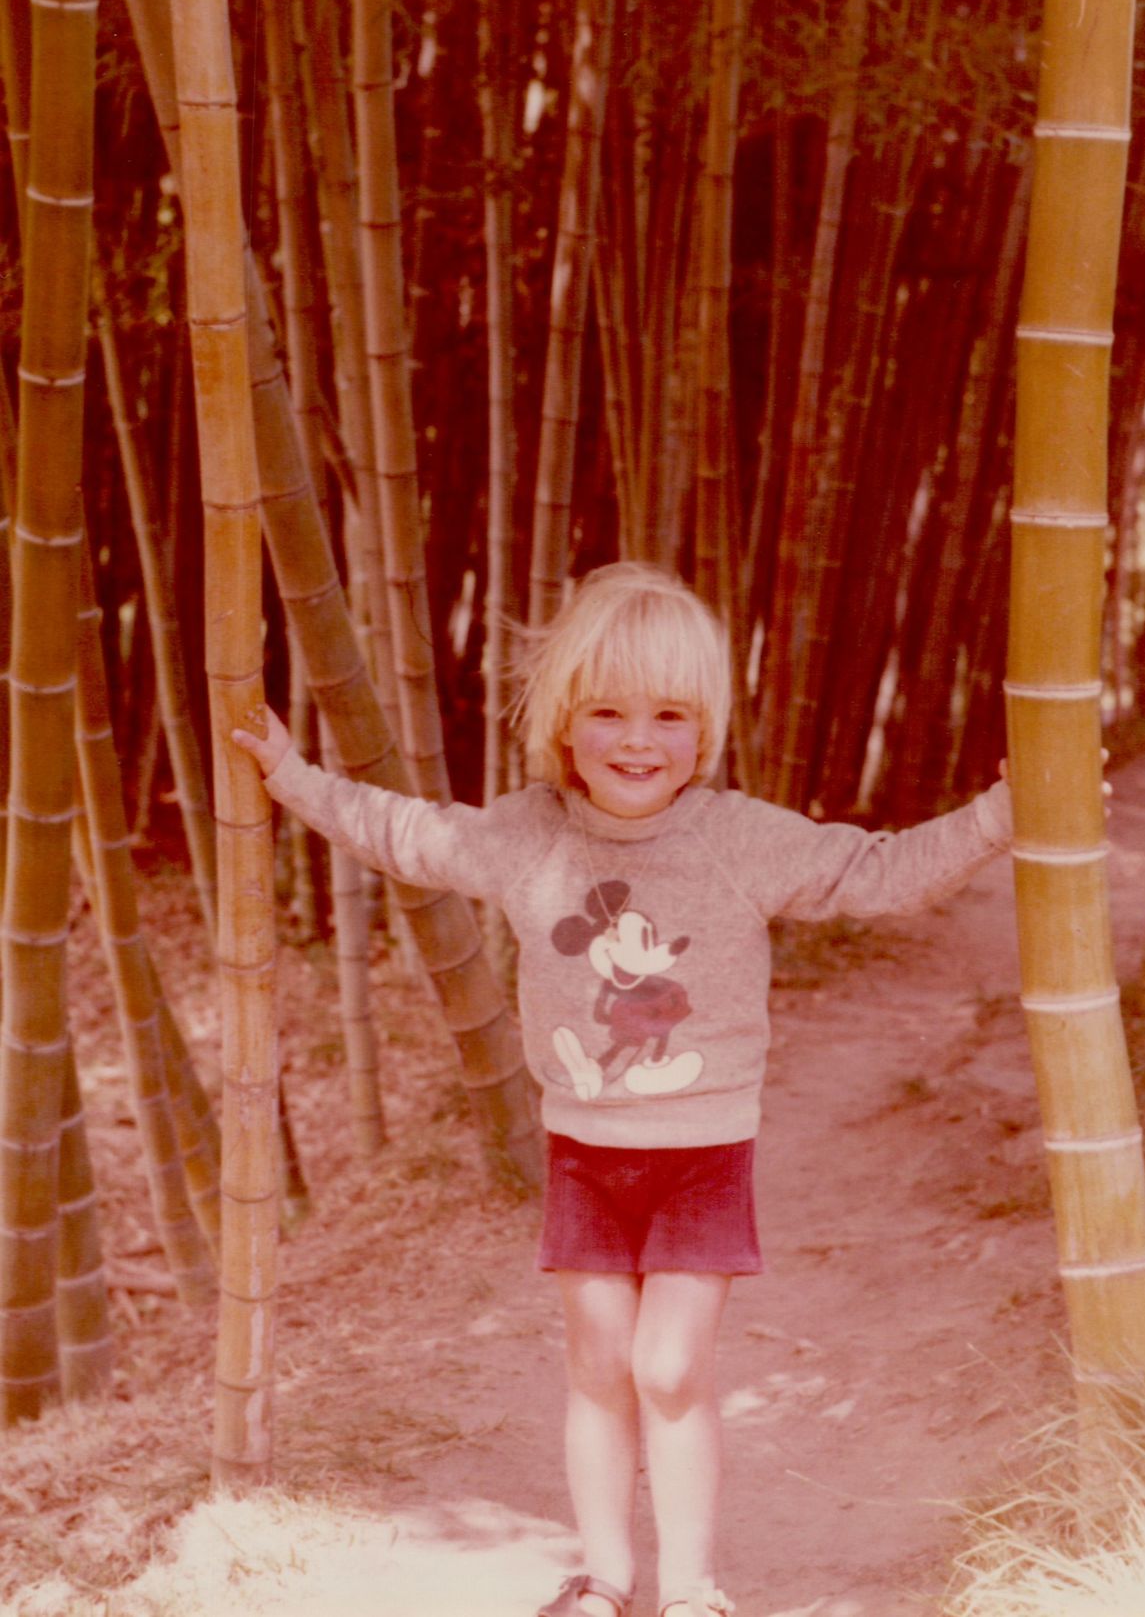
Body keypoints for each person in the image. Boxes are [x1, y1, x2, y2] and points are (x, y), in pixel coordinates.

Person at [233, 561, 1013, 1617]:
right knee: (597, 1360)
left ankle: (692, 1587)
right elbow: (407, 832)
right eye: (605, 710)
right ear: (562, 722)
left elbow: (873, 871)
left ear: (703, 730)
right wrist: (290, 773)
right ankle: (604, 1576)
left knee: (670, 1363)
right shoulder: (526, 831)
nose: (635, 739)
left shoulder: (738, 836)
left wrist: (997, 816)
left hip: (703, 1147)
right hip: (582, 1145)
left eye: (666, 714)